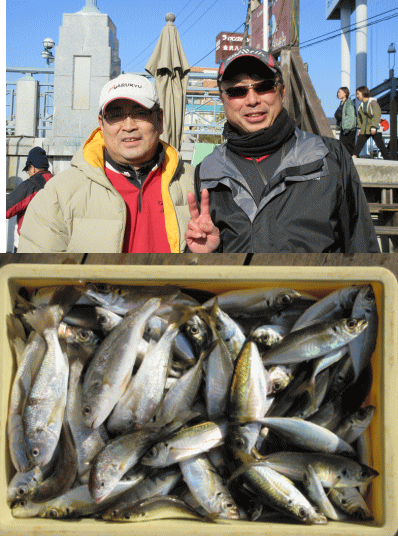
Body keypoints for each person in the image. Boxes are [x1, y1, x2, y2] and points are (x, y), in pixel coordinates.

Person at [184, 46, 379, 253]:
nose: (252, 100)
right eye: (237, 91)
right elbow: (197, 276)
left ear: (282, 92)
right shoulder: (208, 170)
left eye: (264, 86)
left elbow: (363, 249)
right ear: (223, 99)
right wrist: (203, 256)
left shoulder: (330, 156)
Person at [18, 73, 195, 253]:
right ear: (101, 124)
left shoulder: (196, 183)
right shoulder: (58, 194)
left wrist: (210, 252)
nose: (128, 126)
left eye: (140, 113)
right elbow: (35, 274)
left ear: (160, 120)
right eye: (116, 115)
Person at [6, 147, 53, 251]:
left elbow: (6, 209)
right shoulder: (57, 182)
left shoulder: (31, 185)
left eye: (28, 170)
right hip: (56, 245)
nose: (28, 173)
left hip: (32, 246)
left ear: (33, 168)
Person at [353, 86, 389, 160]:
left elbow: (377, 114)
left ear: (363, 93)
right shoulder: (361, 105)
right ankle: (354, 157)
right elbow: (359, 118)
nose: (357, 96)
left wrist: (373, 127)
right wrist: (359, 129)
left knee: (380, 145)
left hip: (374, 127)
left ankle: (388, 160)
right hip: (364, 128)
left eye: (358, 94)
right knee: (359, 144)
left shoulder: (373, 102)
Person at [334, 87, 357, 156]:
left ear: (345, 94)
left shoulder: (348, 103)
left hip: (348, 129)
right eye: (338, 92)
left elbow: (351, 116)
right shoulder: (342, 103)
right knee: (345, 146)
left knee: (347, 146)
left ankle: (352, 161)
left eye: (340, 92)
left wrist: (347, 128)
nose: (338, 93)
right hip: (344, 128)